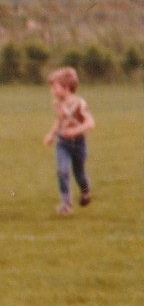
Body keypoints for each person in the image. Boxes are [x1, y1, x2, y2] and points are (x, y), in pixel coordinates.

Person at [43, 66, 95, 215]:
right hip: (63, 143)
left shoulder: (79, 103)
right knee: (62, 171)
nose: (52, 91)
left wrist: (74, 131)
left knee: (79, 173)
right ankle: (66, 204)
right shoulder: (57, 104)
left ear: (66, 88)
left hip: (78, 144)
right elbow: (60, 121)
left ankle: (85, 192)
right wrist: (51, 135)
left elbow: (90, 123)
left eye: (55, 88)